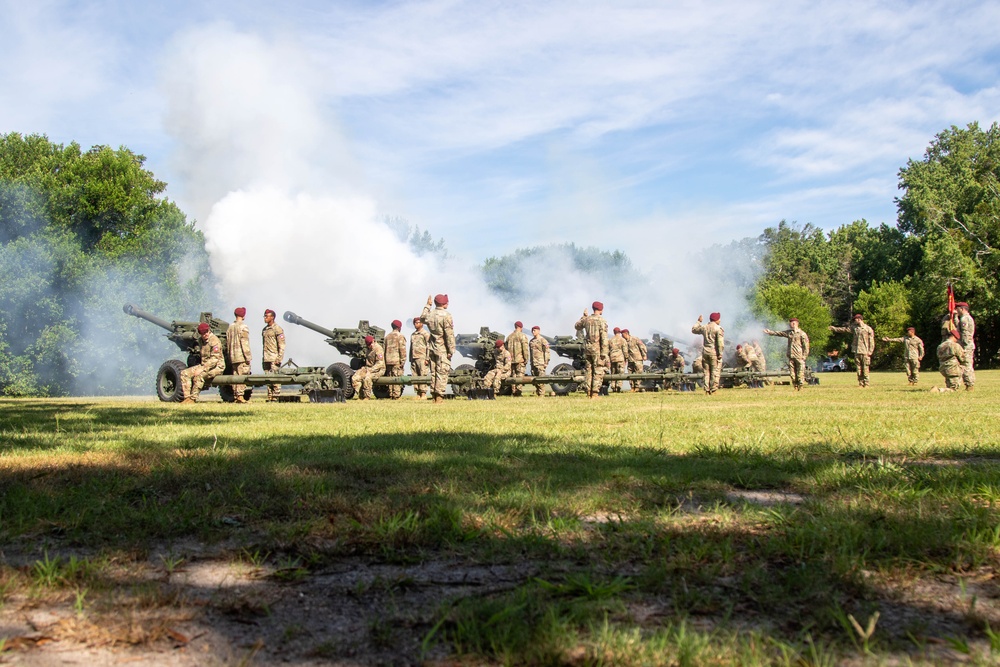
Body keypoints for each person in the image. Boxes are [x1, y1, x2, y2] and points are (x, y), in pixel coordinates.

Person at [420, 294, 455, 404]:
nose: (448, 303)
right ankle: (439, 397)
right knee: (442, 372)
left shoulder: (430, 314)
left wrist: (428, 305)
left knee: (434, 372)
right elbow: (449, 335)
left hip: (432, 347)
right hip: (442, 348)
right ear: (443, 303)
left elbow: (422, 318)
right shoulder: (446, 315)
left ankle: (434, 395)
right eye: (447, 302)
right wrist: (451, 350)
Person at [179, 323, 225, 404]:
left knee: (199, 376)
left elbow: (214, 359)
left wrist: (202, 369)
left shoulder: (214, 341)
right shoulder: (200, 340)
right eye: (203, 333)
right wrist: (201, 367)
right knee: (184, 373)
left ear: (209, 330)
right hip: (204, 365)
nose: (205, 334)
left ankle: (193, 399)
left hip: (217, 367)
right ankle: (187, 398)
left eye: (206, 332)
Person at [763, 317, 810, 390]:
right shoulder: (789, 333)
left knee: (800, 373)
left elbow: (806, 346)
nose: (791, 324)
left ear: (796, 323)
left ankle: (801, 387)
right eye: (790, 323)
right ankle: (795, 386)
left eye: (793, 323)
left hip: (799, 356)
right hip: (791, 356)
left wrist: (804, 356)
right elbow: (779, 333)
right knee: (792, 374)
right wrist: (769, 332)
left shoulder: (802, 334)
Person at [829, 314, 875, 387]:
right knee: (858, 369)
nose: (854, 321)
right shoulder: (855, 328)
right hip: (857, 351)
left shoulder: (868, 329)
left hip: (865, 351)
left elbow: (871, 341)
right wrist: (834, 328)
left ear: (859, 319)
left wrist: (870, 351)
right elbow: (844, 330)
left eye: (855, 319)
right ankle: (860, 383)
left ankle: (866, 383)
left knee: (865, 368)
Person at [575, 302, 609, 399]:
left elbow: (577, 326)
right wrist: (604, 352)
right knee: (598, 370)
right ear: (601, 309)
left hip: (587, 349)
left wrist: (583, 316)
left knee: (588, 370)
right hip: (597, 349)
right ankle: (594, 393)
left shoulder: (587, 320)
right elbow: (604, 338)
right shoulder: (602, 321)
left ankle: (588, 392)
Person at [692, 313, 725, 394]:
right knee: (715, 371)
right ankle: (713, 390)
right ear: (716, 319)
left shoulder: (705, 327)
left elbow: (694, 330)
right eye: (719, 319)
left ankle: (707, 390)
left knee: (706, 372)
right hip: (714, 352)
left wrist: (698, 321)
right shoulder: (718, 328)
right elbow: (720, 343)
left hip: (705, 352)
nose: (720, 320)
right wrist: (720, 353)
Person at [225, 307, 252, 403]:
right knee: (242, 376)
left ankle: (236, 396)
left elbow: (227, 343)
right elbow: (244, 343)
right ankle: (240, 396)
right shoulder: (243, 327)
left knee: (235, 376)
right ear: (243, 315)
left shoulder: (230, 327)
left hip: (233, 356)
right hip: (241, 356)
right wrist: (248, 357)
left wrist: (229, 355)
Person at [261, 309, 285, 402]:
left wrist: (279, 357)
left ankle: (276, 397)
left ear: (272, 317)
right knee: (268, 379)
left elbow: (282, 345)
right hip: (266, 357)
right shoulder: (265, 330)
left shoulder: (277, 329)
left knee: (275, 379)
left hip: (274, 357)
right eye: (264, 316)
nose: (265, 318)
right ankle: (270, 396)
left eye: (267, 316)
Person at [351, 335, 385, 399]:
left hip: (379, 370)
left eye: (370, 344)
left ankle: (366, 397)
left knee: (367, 378)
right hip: (368, 368)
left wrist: (371, 370)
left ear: (373, 341)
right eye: (368, 344)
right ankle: (360, 395)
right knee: (355, 377)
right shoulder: (368, 349)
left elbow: (380, 363)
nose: (370, 346)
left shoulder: (378, 348)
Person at [505, 321, 530, 397]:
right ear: (521, 327)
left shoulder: (509, 337)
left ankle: (514, 392)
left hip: (511, 361)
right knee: (520, 377)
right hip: (520, 360)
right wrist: (526, 359)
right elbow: (525, 349)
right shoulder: (523, 336)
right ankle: (518, 393)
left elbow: (506, 349)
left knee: (513, 377)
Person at [383, 320, 407, 400]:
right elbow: (402, 350)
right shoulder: (400, 336)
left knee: (390, 378)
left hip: (388, 361)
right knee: (397, 378)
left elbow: (384, 349)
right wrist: (403, 361)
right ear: (399, 327)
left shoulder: (387, 337)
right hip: (397, 361)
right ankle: (396, 395)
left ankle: (391, 394)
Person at [956, 302, 976, 390]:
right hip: (968, 344)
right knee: (967, 364)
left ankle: (969, 384)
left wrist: (963, 345)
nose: (957, 310)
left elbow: (965, 334)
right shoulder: (968, 318)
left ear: (962, 309)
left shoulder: (964, 319)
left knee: (966, 364)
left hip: (966, 345)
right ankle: (969, 384)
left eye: (958, 308)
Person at [409, 316, 430, 399]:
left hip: (422, 357)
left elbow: (428, 346)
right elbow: (411, 347)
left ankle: (423, 393)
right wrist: (410, 358)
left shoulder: (425, 334)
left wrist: (427, 358)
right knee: (415, 375)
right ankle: (417, 393)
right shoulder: (413, 334)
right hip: (414, 358)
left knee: (423, 375)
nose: (415, 324)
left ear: (421, 323)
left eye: (417, 322)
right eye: (414, 323)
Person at [528, 325, 550, 396]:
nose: (533, 332)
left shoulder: (543, 340)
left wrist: (546, 362)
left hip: (540, 363)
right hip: (533, 363)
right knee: (535, 380)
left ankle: (542, 394)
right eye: (532, 330)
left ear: (538, 331)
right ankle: (538, 393)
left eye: (535, 330)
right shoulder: (531, 341)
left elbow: (547, 352)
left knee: (541, 379)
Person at [608, 327, 628, 392]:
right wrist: (626, 358)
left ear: (614, 332)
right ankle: (619, 386)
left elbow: (607, 351)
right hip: (620, 358)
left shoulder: (610, 340)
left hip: (612, 358)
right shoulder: (622, 340)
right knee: (620, 373)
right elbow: (625, 351)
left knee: (613, 373)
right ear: (619, 332)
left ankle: (613, 386)